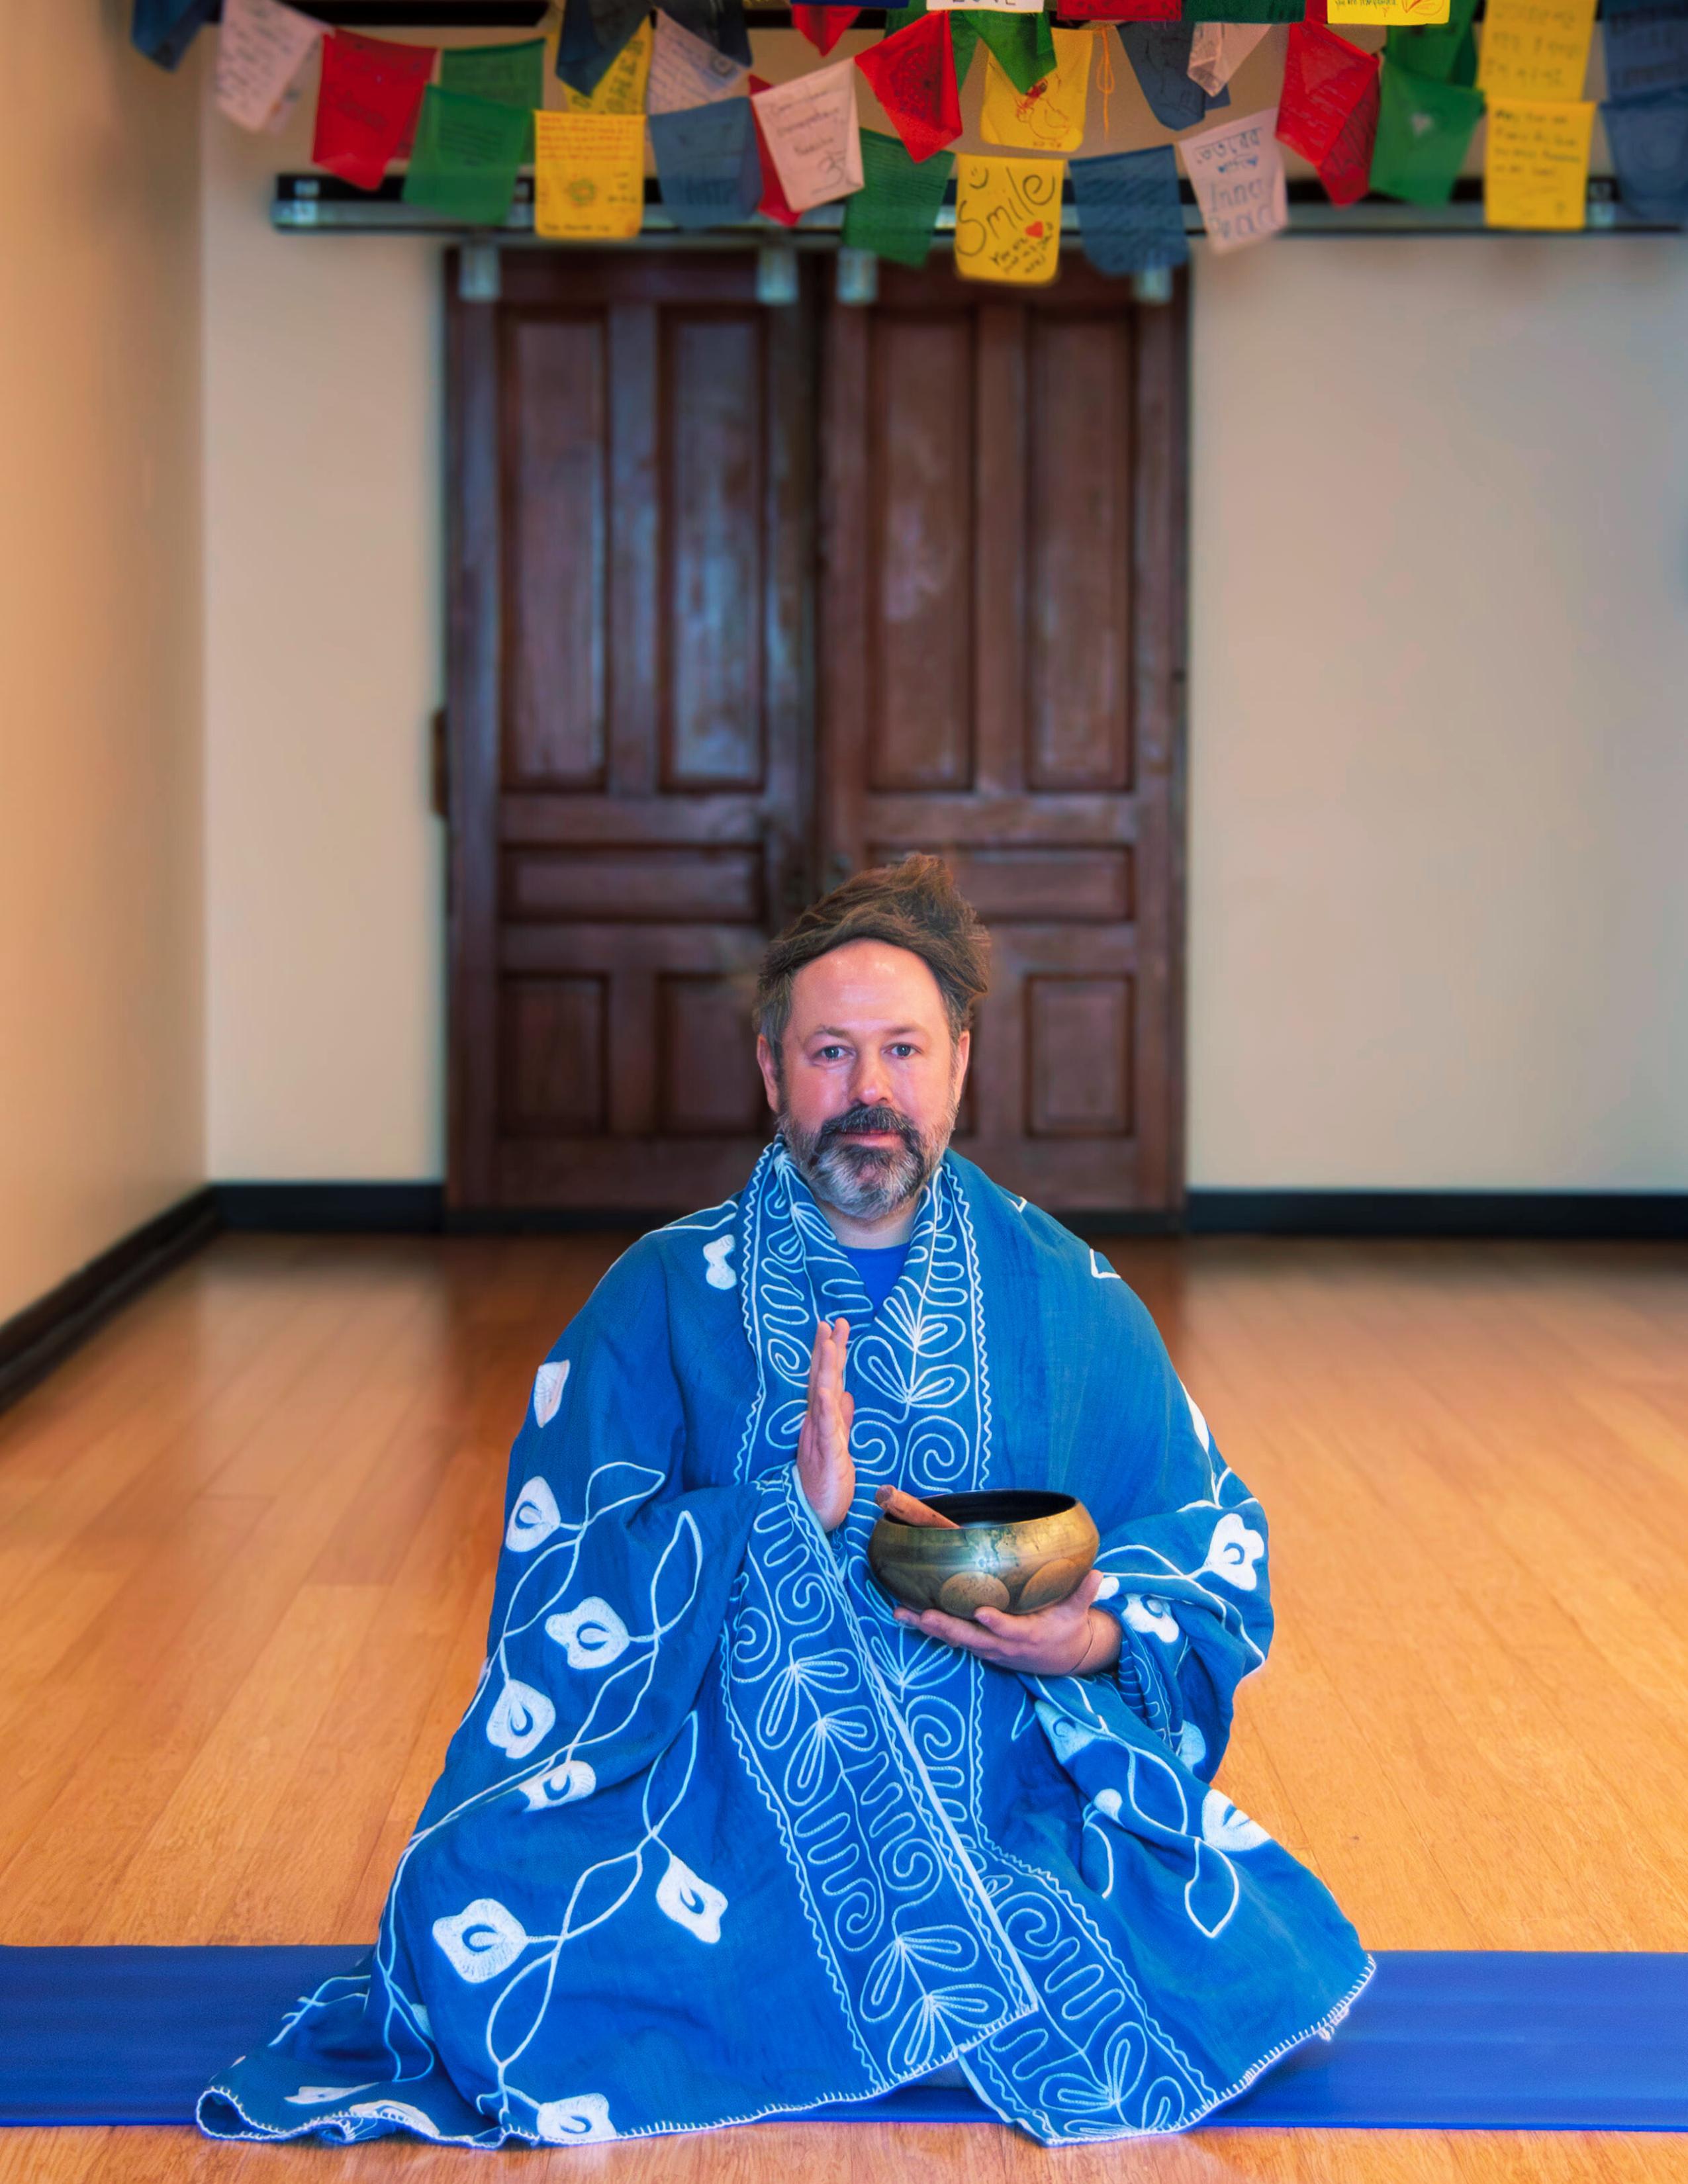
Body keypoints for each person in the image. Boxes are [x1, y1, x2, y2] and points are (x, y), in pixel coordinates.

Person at [199, 858, 1370, 2151]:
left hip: (1003, 1767)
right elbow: (561, 1577)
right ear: (771, 1072)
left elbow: (1202, 1543)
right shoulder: (659, 1294)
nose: (871, 1091)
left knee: (1249, 1957)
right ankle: (855, 1993)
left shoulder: (1068, 1297)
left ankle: (836, 1994)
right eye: (829, 1053)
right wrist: (779, 1514)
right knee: (458, 1905)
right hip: (724, 1784)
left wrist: (1084, 1638)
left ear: (960, 1065)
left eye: (903, 1051)